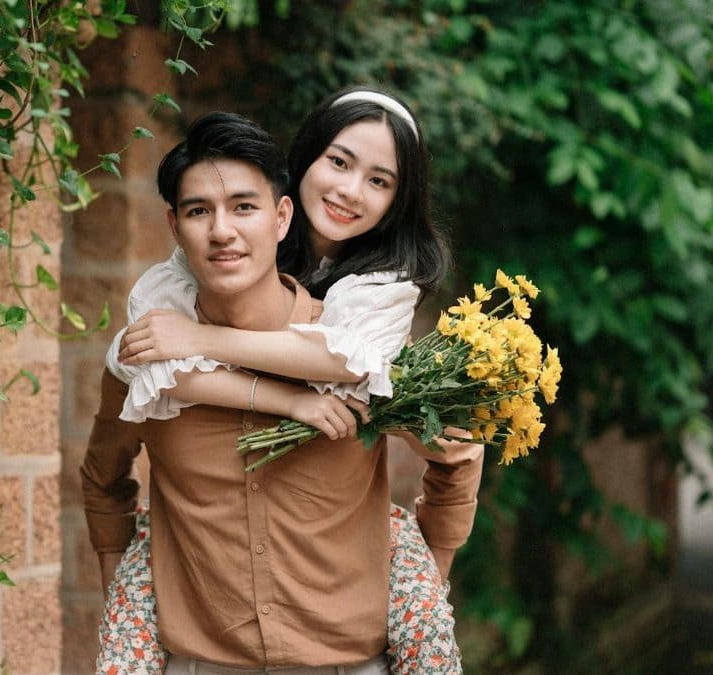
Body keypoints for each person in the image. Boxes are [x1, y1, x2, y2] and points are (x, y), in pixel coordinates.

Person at [82, 95, 482, 675]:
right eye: (338, 162)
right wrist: (124, 598)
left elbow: (456, 450)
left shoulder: (365, 336)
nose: (223, 231)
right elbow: (103, 476)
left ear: (280, 215)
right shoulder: (158, 342)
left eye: (379, 180)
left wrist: (423, 582)